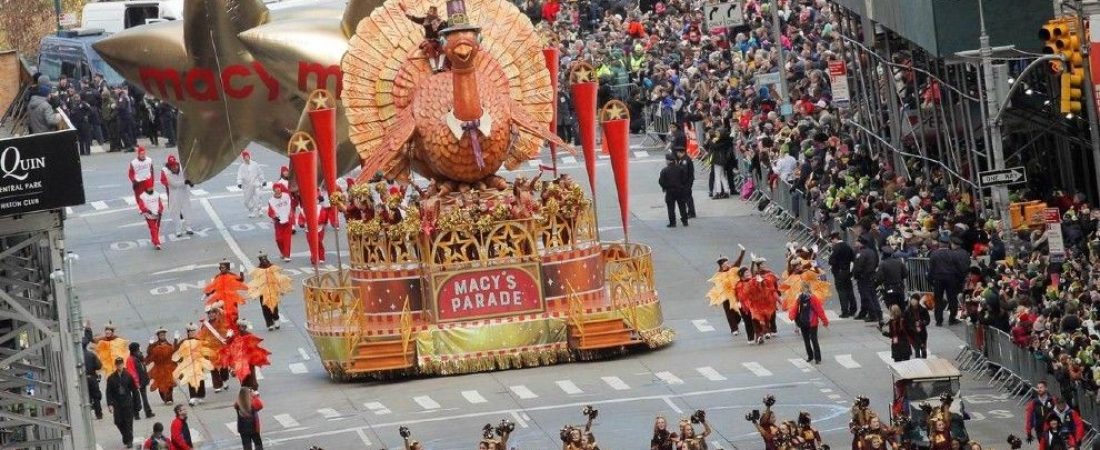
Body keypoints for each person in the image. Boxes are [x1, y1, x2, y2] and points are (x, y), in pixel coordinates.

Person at [219, 319, 271, 392]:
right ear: (238, 326)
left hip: (248, 359)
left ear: (245, 327)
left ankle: (254, 388)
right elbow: (228, 344)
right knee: (241, 374)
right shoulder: (234, 335)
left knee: (251, 373)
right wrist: (228, 337)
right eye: (240, 326)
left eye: (243, 326)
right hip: (239, 359)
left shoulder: (249, 334)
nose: (242, 328)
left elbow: (254, 345)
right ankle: (245, 388)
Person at [928, 235, 969, 326]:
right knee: (952, 299)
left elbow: (931, 269)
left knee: (938, 300)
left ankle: (939, 320)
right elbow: (959, 268)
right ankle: (952, 319)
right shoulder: (953, 254)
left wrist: (930, 280)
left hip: (938, 279)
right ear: (948, 244)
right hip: (951, 279)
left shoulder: (934, 254)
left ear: (940, 243)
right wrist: (960, 279)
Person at [247, 251, 292, 330]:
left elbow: (278, 277)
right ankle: (269, 323)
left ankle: (276, 318)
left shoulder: (273, 267)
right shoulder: (257, 270)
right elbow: (256, 281)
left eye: (265, 259)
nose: (264, 261)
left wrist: (281, 289)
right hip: (263, 292)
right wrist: (254, 292)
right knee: (265, 308)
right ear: (260, 260)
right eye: (262, 259)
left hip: (272, 290)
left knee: (274, 306)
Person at [172, 323, 212, 406]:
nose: (193, 333)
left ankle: (200, 395)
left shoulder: (199, 341)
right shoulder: (184, 341)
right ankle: (193, 396)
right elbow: (176, 349)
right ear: (188, 332)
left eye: (194, 331)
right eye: (191, 331)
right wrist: (176, 339)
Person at [400, 2, 447, 71]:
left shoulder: (440, 22)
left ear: (435, 13)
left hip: (439, 40)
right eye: (429, 11)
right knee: (429, 47)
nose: (429, 12)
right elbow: (414, 18)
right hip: (429, 41)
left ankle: (440, 66)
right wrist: (405, 10)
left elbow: (445, 31)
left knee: (443, 47)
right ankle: (434, 68)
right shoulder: (425, 20)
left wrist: (443, 38)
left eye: (431, 11)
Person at [197, 304, 232, 394]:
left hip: (222, 348)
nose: (211, 314)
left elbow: (225, 316)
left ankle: (224, 380)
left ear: (216, 313)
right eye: (209, 313)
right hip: (211, 350)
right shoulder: (205, 325)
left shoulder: (221, 321)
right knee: (213, 368)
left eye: (213, 312)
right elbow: (201, 337)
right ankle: (217, 385)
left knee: (224, 365)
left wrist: (218, 308)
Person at [790, 282, 828, 364]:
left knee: (810, 340)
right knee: (810, 340)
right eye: (804, 289)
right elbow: (819, 310)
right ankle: (814, 357)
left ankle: (814, 357)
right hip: (808, 322)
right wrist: (825, 321)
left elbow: (794, 308)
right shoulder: (806, 298)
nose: (804, 291)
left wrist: (792, 316)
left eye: (804, 289)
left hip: (807, 322)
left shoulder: (806, 298)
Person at [106, 357, 137, 448]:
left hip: (127, 402)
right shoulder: (111, 378)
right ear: (116, 365)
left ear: (123, 364)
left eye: (121, 364)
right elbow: (109, 392)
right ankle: (126, 436)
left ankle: (129, 440)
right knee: (118, 421)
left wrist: (137, 403)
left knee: (128, 422)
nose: (119, 366)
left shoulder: (128, 375)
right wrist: (110, 404)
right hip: (117, 403)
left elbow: (134, 390)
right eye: (118, 364)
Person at [160, 155, 194, 237]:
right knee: (175, 211)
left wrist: (191, 181)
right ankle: (178, 229)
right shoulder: (166, 172)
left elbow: (189, 176)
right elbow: (173, 184)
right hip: (174, 194)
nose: (174, 167)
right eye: (172, 166)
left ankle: (188, 227)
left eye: (175, 165)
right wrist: (185, 182)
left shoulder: (183, 168)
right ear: (169, 166)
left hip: (184, 192)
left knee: (187, 209)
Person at [828, 232, 857, 318]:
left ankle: (845, 311)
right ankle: (853, 308)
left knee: (841, 291)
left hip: (839, 272)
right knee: (849, 290)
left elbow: (831, 261)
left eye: (832, 240)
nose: (832, 242)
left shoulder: (836, 247)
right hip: (847, 271)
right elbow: (853, 258)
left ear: (835, 239)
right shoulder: (847, 246)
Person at [146, 328, 178, 405]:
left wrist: (176, 340)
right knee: (160, 384)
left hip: (167, 368)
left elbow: (174, 350)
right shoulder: (155, 345)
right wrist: (150, 344)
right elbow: (149, 353)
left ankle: (169, 399)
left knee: (169, 382)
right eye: (160, 335)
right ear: (158, 336)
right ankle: (164, 398)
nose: (162, 336)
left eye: (163, 335)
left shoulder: (168, 344)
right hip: (158, 368)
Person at [852, 237, 880, 322]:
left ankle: (872, 315)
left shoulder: (861, 253)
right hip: (871, 275)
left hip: (863, 277)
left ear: (861, 243)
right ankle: (878, 313)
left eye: (857, 242)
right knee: (873, 296)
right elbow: (876, 262)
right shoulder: (872, 252)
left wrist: (855, 275)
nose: (855, 243)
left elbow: (858, 266)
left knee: (866, 296)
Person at [659, 153, 689, 227]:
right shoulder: (680, 168)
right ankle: (685, 221)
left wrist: (664, 187)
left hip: (670, 191)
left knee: (671, 207)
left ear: (668, 161)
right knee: (682, 206)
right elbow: (684, 179)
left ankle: (672, 222)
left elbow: (661, 181)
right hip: (680, 190)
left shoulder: (664, 170)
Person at [126, 341, 155, 419]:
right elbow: (132, 372)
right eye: (138, 348)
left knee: (144, 397)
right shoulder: (131, 359)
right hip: (135, 382)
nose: (140, 349)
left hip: (142, 381)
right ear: (135, 349)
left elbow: (143, 369)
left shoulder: (139, 357)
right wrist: (136, 382)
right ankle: (136, 414)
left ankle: (147, 412)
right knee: (136, 398)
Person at [268, 184, 294, 261]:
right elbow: (270, 212)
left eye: (279, 188)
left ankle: (287, 256)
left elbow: (292, 204)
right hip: (278, 222)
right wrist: (274, 216)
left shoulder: (286, 196)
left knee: (287, 239)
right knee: (279, 239)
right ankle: (283, 252)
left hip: (288, 220)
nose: (278, 190)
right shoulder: (271, 200)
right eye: (276, 189)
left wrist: (291, 212)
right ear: (274, 191)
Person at [236, 150, 266, 218]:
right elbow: (239, 175)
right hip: (247, 185)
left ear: (249, 156)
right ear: (243, 158)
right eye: (245, 157)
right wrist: (239, 183)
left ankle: (259, 210)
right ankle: (251, 211)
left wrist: (263, 180)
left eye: (247, 156)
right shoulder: (242, 167)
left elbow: (260, 173)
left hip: (256, 183)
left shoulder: (255, 164)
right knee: (247, 201)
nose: (246, 158)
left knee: (258, 196)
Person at [903, 294, 930, 359]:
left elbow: (928, 320)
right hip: (912, 332)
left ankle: (924, 357)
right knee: (916, 348)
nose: (913, 302)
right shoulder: (907, 311)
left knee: (923, 348)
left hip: (922, 332)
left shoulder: (923, 310)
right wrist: (910, 327)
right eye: (912, 300)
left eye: (914, 300)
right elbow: (905, 322)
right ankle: (918, 361)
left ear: (918, 301)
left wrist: (922, 322)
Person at [138, 184, 164, 250]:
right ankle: (157, 243)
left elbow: (160, 204)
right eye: (149, 187)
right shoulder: (142, 196)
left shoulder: (156, 194)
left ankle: (154, 239)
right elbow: (141, 206)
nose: (150, 188)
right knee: (153, 228)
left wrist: (160, 210)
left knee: (156, 229)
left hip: (157, 214)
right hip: (149, 215)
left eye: (151, 187)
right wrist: (147, 211)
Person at [675, 148, 696, 219]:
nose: (677, 154)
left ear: (681, 152)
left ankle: (691, 212)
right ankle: (690, 212)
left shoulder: (685, 160)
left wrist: (682, 182)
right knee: (688, 197)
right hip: (688, 181)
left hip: (687, 181)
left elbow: (684, 172)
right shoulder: (684, 159)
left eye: (678, 153)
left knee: (688, 197)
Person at [84, 342, 104, 419]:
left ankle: (87, 415)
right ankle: (99, 414)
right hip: (92, 378)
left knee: (85, 396)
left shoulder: (74, 356)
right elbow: (99, 366)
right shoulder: (91, 354)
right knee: (96, 396)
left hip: (81, 379)